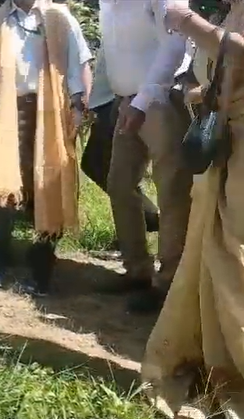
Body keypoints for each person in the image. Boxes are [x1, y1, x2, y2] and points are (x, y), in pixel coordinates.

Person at [142, 2, 244, 417]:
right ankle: (219, 359)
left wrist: (184, 21)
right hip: (225, 149)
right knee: (212, 256)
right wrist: (197, 94)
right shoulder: (231, 11)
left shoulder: (215, 21)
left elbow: (238, 51)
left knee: (235, 257)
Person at [0, 0, 93, 296]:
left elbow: (80, 64)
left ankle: (42, 266)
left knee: (48, 183)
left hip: (52, 113)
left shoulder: (60, 18)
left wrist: (78, 108)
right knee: (4, 184)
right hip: (8, 112)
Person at [98, 0, 194, 314]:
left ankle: (168, 283)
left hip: (162, 100)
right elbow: (113, 49)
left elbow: (174, 46)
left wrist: (143, 100)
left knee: (171, 192)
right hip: (126, 101)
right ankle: (138, 270)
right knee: (119, 183)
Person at [81, 46, 161, 253]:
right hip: (111, 97)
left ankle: (148, 223)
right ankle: (144, 223)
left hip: (127, 97)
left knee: (107, 168)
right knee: (99, 166)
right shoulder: (111, 13)